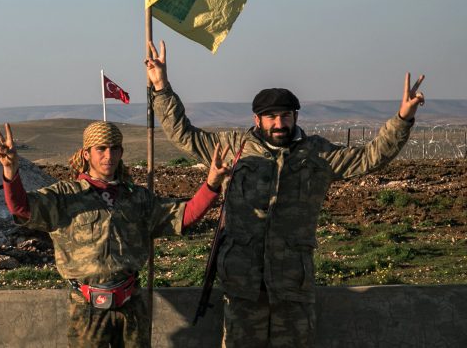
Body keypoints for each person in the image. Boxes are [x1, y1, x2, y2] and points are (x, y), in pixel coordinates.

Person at [144, 41, 425, 348]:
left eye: (286, 116)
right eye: (272, 117)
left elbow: (369, 157)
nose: (280, 123)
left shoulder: (316, 154)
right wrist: (161, 87)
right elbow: (183, 133)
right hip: (242, 285)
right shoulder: (232, 148)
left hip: (293, 286)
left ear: (295, 117)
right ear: (257, 120)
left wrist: (402, 119)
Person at [0, 120, 230, 347]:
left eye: (115, 148)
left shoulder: (137, 198)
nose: (109, 155)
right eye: (101, 149)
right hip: (87, 309)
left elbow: (183, 215)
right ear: (86, 154)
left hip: (131, 306)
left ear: (122, 152)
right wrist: (11, 171)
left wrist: (211, 185)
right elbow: (22, 208)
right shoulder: (65, 196)